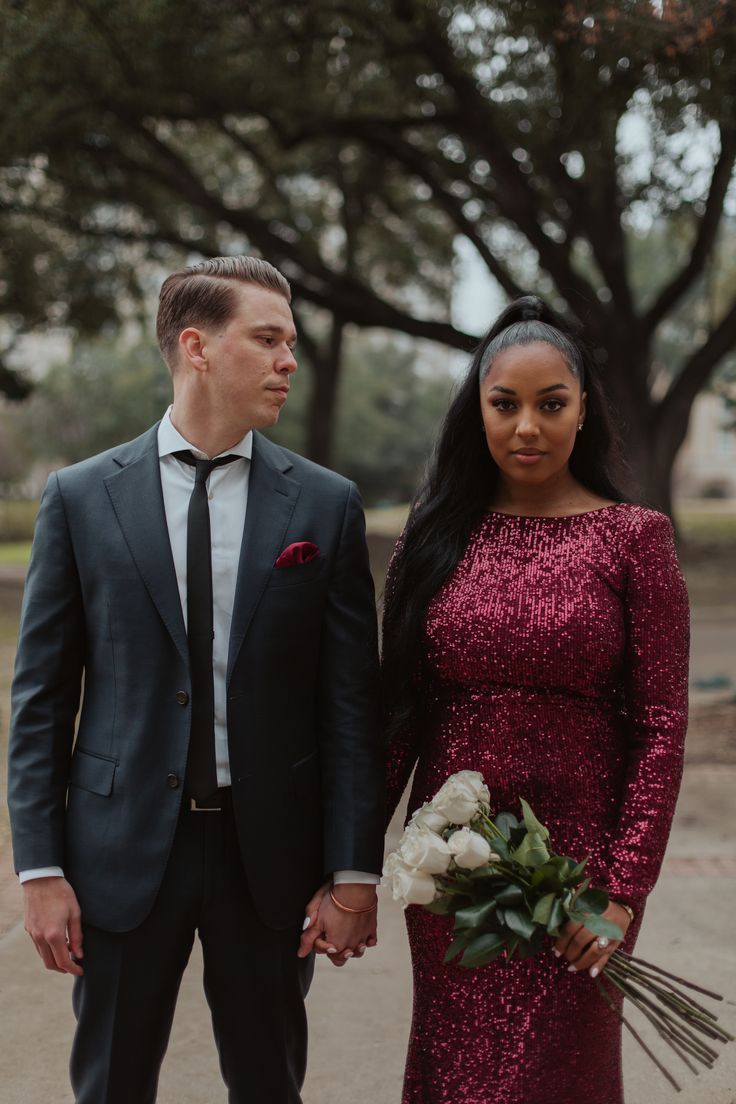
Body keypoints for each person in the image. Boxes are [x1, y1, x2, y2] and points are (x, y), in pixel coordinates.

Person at [7, 254, 384, 1104]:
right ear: (197, 346)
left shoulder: (325, 506)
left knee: (267, 1083)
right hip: (120, 851)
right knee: (109, 1084)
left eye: (291, 342)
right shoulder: (79, 498)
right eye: (268, 339)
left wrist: (354, 869)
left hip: (271, 858)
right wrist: (39, 871)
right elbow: (40, 701)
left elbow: (349, 706)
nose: (290, 360)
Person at [381, 295, 689, 1104]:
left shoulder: (634, 539)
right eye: (504, 404)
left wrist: (621, 895)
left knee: (560, 1073)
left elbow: (661, 728)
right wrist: (344, 864)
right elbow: (399, 713)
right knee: (463, 1072)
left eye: (551, 404)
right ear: (476, 409)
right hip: (451, 863)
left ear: (584, 408)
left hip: (584, 871)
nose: (527, 427)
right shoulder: (433, 536)